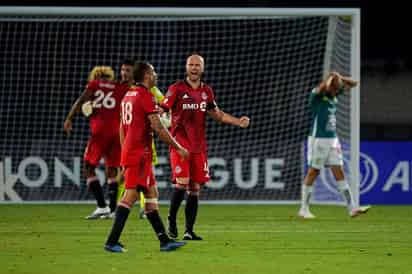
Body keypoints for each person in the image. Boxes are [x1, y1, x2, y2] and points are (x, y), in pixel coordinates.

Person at [160, 54, 250, 240]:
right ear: (186, 67)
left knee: (194, 188)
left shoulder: (206, 91)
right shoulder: (176, 89)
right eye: (191, 65)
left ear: (202, 68)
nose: (194, 68)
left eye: (197, 65)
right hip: (179, 145)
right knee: (182, 183)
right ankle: (171, 220)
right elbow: (160, 110)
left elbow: (217, 114)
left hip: (198, 147)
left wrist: (237, 121)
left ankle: (189, 230)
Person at [104, 61, 188, 253]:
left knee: (151, 194)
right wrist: (179, 147)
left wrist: (125, 151)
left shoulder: (128, 95)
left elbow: (121, 127)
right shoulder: (144, 96)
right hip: (139, 155)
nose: (156, 75)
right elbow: (158, 127)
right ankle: (111, 241)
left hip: (135, 153)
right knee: (131, 195)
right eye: (153, 72)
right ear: (147, 75)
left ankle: (165, 241)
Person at [298, 72, 371, 219]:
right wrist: (330, 78)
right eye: (335, 89)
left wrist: (340, 77)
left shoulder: (333, 96)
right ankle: (303, 209)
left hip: (333, 140)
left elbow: (354, 83)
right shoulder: (317, 96)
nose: (337, 92)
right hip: (318, 139)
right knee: (313, 172)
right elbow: (321, 88)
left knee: (339, 171)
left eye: (338, 90)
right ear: (329, 86)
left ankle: (352, 208)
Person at [64, 66, 129, 219]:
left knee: (88, 166)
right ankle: (112, 210)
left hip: (99, 133)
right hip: (117, 132)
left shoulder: (95, 85)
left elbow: (81, 100)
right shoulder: (120, 87)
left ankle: (101, 206)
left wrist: (69, 118)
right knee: (112, 169)